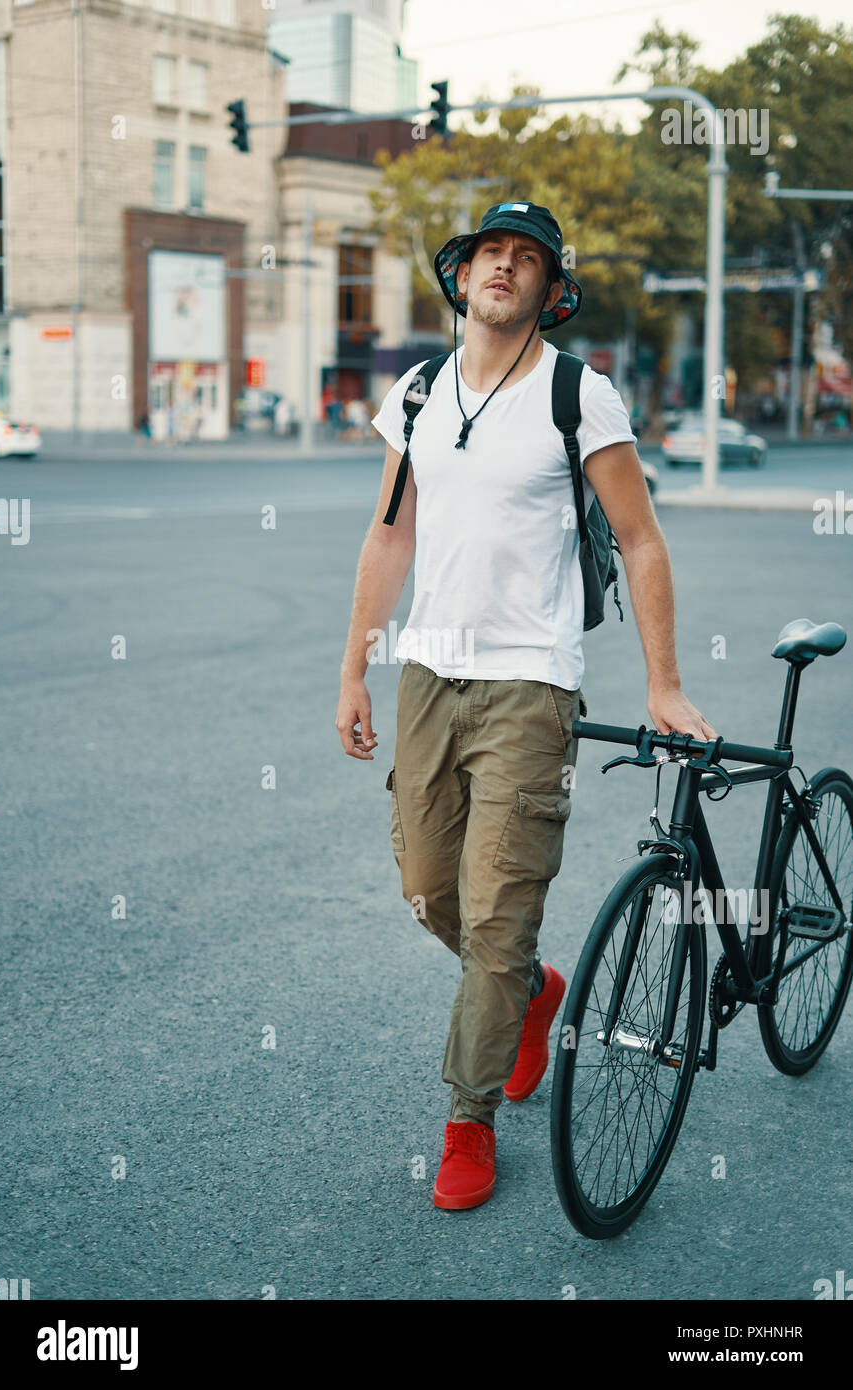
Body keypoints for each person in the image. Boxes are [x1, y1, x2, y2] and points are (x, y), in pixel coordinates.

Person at [335, 200, 717, 1212]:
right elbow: (388, 539)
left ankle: (466, 1122)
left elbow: (639, 539)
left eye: (526, 260)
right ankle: (532, 992)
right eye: (488, 254)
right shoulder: (415, 394)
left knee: (497, 916)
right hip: (425, 674)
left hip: (529, 684)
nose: (503, 268)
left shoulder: (575, 396)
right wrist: (352, 670)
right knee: (425, 888)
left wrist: (662, 681)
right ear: (460, 280)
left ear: (550, 292)